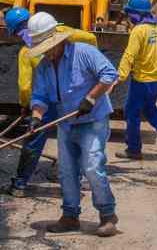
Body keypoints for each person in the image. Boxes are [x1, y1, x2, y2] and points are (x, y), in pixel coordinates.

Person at [29, 12, 119, 237]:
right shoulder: (44, 66)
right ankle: (70, 216)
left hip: (93, 120)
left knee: (92, 166)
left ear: (57, 40)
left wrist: (90, 98)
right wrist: (36, 118)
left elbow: (109, 74)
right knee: (67, 171)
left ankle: (107, 215)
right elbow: (40, 97)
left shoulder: (84, 52)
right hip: (66, 123)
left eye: (49, 47)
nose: (47, 53)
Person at [0, 9, 98, 198]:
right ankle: (75, 182)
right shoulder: (64, 31)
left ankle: (20, 185)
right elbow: (91, 38)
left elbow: (25, 87)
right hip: (73, 95)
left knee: (34, 138)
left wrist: (26, 106)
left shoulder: (26, 52)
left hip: (48, 100)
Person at [116, 0, 157, 160]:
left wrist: (120, 76)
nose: (129, 18)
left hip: (142, 81)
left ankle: (133, 149)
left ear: (135, 14)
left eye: (130, 14)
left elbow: (129, 55)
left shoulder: (138, 31)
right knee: (150, 110)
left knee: (132, 112)